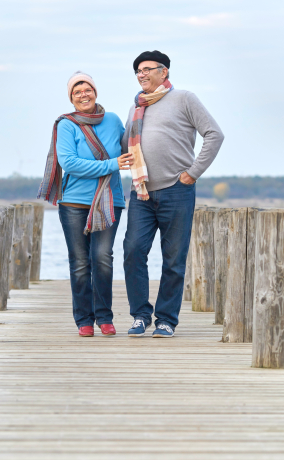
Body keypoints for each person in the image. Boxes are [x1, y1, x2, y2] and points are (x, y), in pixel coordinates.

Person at [121, 50, 224, 337]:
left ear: (164, 72)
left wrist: (193, 173)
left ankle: (166, 319)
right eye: (138, 71)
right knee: (132, 251)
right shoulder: (136, 107)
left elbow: (214, 134)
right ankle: (141, 315)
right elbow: (123, 145)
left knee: (174, 259)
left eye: (147, 69)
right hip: (141, 193)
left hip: (177, 191)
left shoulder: (184, 99)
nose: (141, 75)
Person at [38, 71, 135, 337]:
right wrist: (111, 164)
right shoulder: (66, 125)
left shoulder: (113, 121)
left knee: (102, 258)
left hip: (110, 200)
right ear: (71, 98)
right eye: (77, 91)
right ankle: (83, 319)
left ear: (95, 92)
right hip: (74, 203)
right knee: (80, 262)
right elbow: (69, 163)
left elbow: (133, 147)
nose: (84, 95)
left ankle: (104, 317)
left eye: (87, 89)